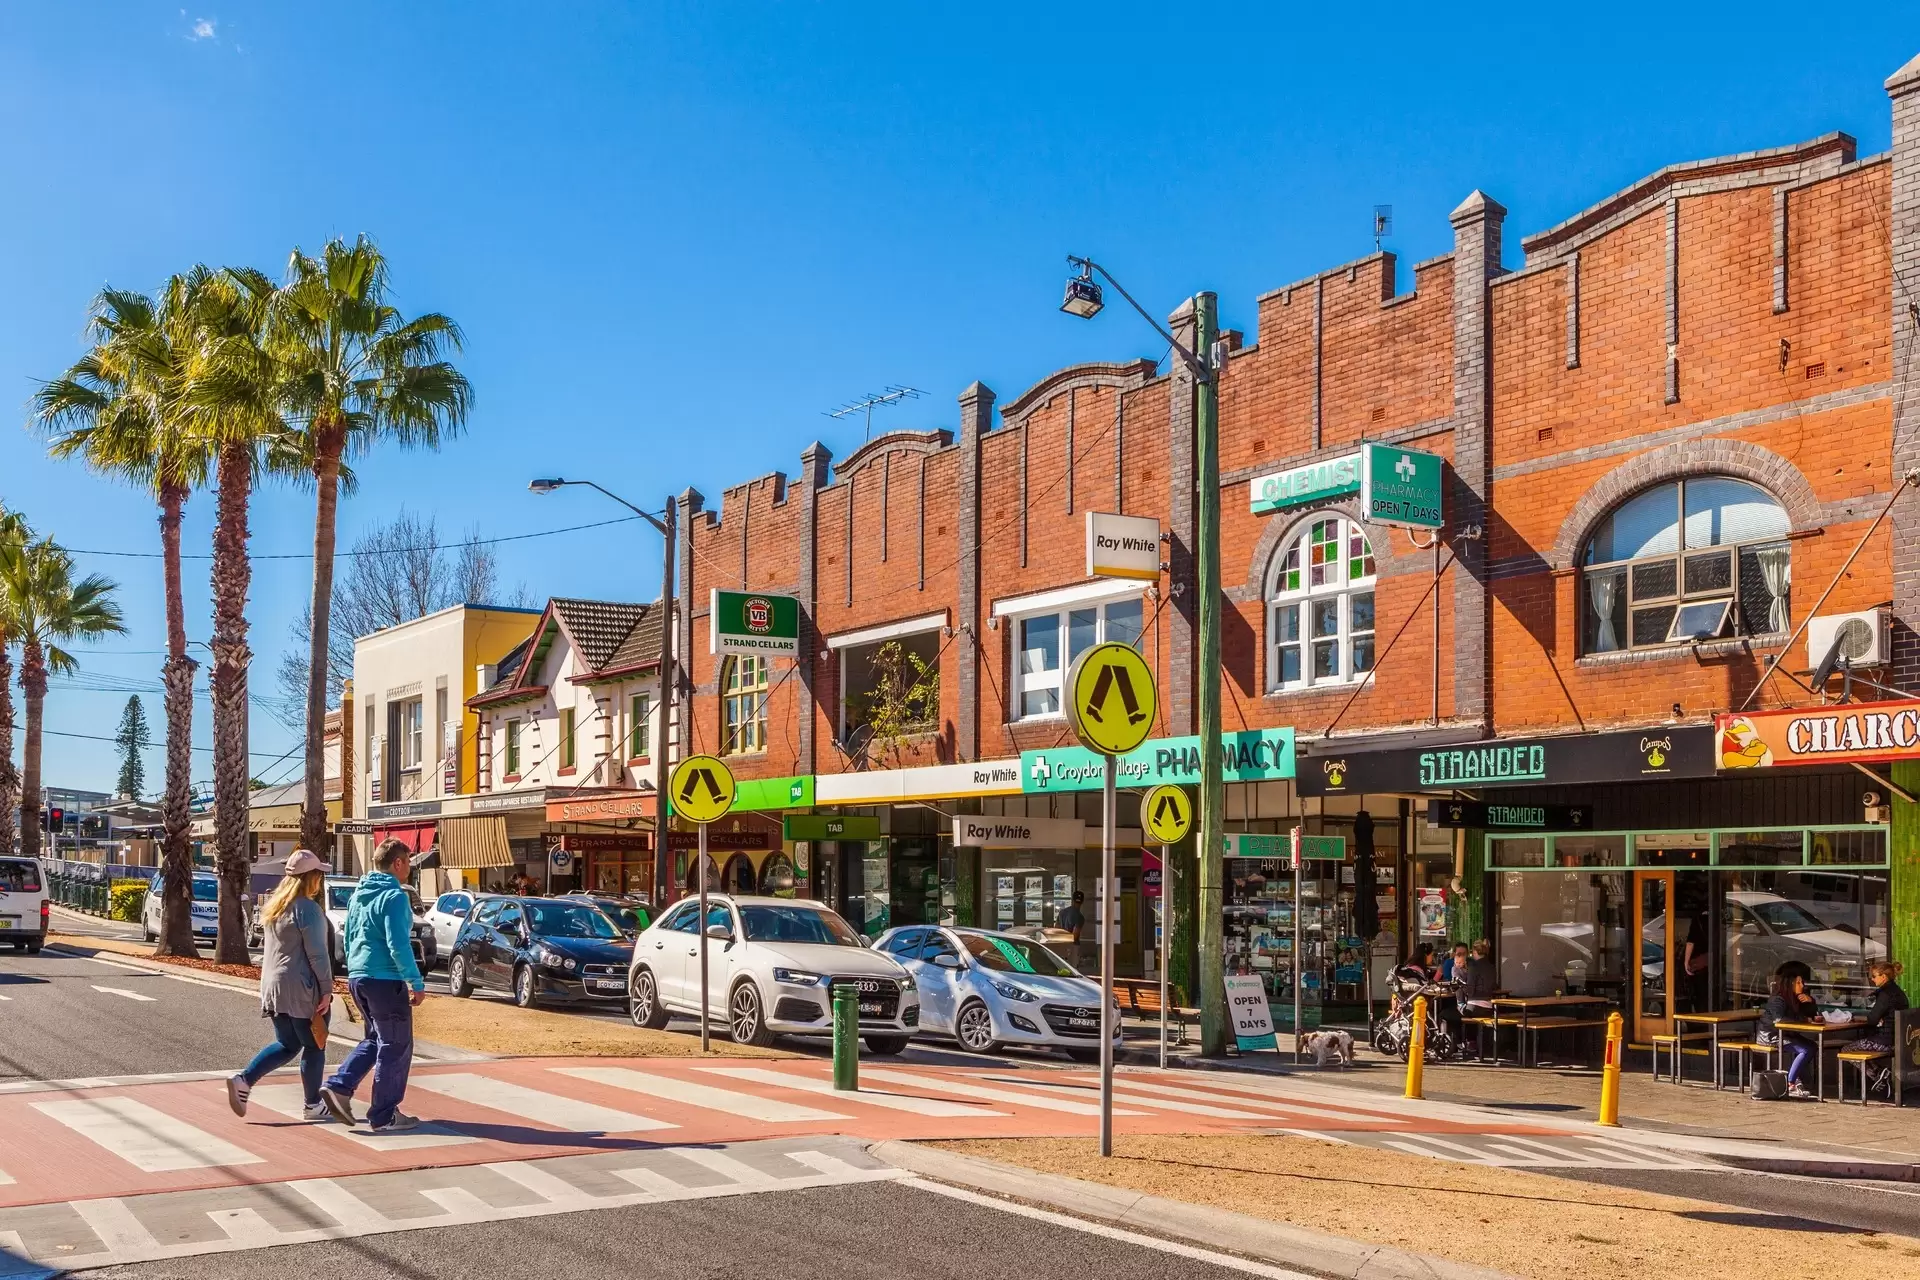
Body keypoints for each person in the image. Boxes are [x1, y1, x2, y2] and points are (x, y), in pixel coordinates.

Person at [319, 839, 427, 1132]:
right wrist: (415, 982)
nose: (410, 868)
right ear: (398, 863)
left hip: (359, 976)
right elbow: (398, 944)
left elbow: (350, 937)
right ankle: (385, 1114)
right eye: (408, 862)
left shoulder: (359, 895)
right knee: (396, 1045)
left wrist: (354, 970)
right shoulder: (394, 897)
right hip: (385, 979)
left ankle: (340, 1087)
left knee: (375, 1039)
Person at [227, 850, 333, 1120]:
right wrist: (326, 989)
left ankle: (244, 1079)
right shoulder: (308, 909)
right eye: (318, 874)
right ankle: (312, 1105)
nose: (320, 879)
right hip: (301, 986)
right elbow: (317, 954)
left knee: (287, 1043)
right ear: (310, 878)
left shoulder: (276, 907)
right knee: (314, 1045)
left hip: (273, 986)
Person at [1757, 960, 1819, 1100]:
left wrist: (1810, 1001)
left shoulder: (1797, 998)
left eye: (1802, 982)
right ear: (1790, 983)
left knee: (1812, 1046)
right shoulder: (1778, 999)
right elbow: (1778, 1020)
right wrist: (1802, 1021)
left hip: (1788, 1034)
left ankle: (1800, 1080)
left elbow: (1811, 1014)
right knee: (1806, 1050)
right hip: (1771, 1035)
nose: (1802, 986)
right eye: (1798, 983)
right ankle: (1791, 1083)